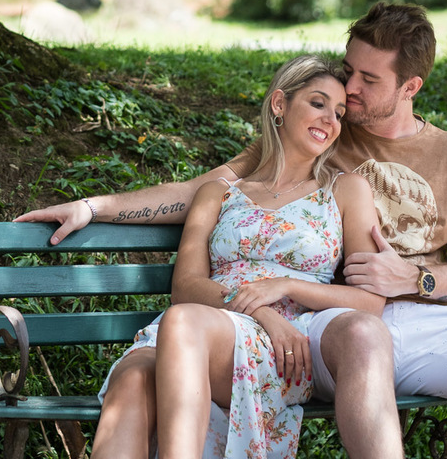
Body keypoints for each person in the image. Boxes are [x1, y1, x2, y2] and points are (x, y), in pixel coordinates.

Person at [18, 2, 447, 459]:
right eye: (347, 70)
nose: (348, 89)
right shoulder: (318, 137)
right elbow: (205, 193)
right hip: (329, 327)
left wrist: (416, 278)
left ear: (410, 87)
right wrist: (97, 205)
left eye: (366, 79)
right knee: (360, 336)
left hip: (418, 318)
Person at [91, 55, 385, 459]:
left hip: (283, 340)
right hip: (204, 322)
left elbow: (370, 302)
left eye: (338, 113)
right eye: (318, 104)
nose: (330, 120)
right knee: (133, 379)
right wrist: (255, 309)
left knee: (183, 323)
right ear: (280, 104)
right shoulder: (219, 193)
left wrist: (283, 288)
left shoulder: (345, 190)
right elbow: (186, 287)